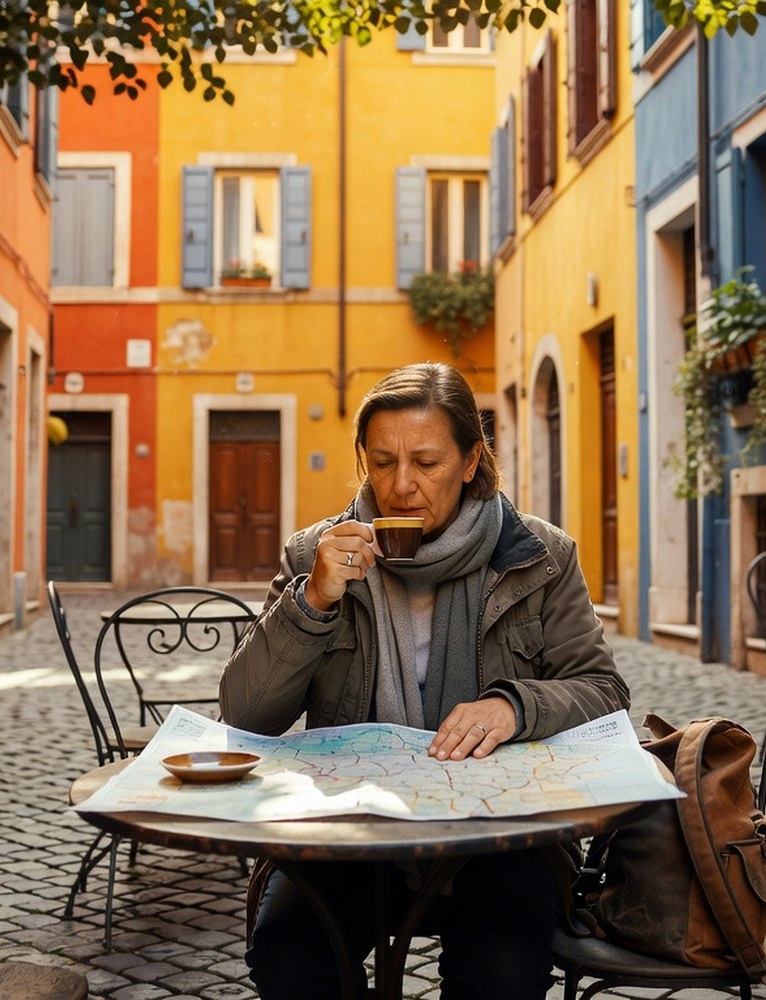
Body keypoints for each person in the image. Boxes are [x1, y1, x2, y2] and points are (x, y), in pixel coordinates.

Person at [220, 361, 630, 1000]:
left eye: (427, 462)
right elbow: (247, 713)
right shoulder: (314, 556)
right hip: (350, 833)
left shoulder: (540, 557)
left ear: (472, 461)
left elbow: (603, 692)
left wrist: (514, 707)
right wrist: (315, 602)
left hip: (500, 834)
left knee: (499, 972)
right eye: (382, 462)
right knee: (287, 955)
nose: (401, 486)